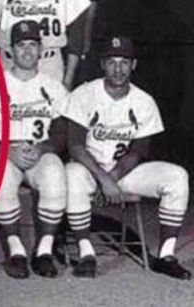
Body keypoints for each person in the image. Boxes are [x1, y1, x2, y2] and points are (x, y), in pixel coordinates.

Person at [64, 36, 191, 280]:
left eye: (124, 62)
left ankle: (165, 256)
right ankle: (86, 253)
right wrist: (103, 179)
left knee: (177, 177)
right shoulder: (85, 94)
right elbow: (75, 146)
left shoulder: (144, 101)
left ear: (133, 65)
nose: (118, 68)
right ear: (102, 64)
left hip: (122, 172)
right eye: (112, 62)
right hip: (89, 169)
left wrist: (112, 178)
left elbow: (138, 151)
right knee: (71, 173)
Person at [0, 20, 68, 279]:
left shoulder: (53, 86)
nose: (28, 51)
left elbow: (62, 133)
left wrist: (43, 148)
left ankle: (43, 252)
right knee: (1, 179)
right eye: (21, 45)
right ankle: (16, 251)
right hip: (5, 151)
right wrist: (7, 150)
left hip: (38, 150)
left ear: (41, 49)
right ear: (10, 50)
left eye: (33, 45)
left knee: (55, 175)